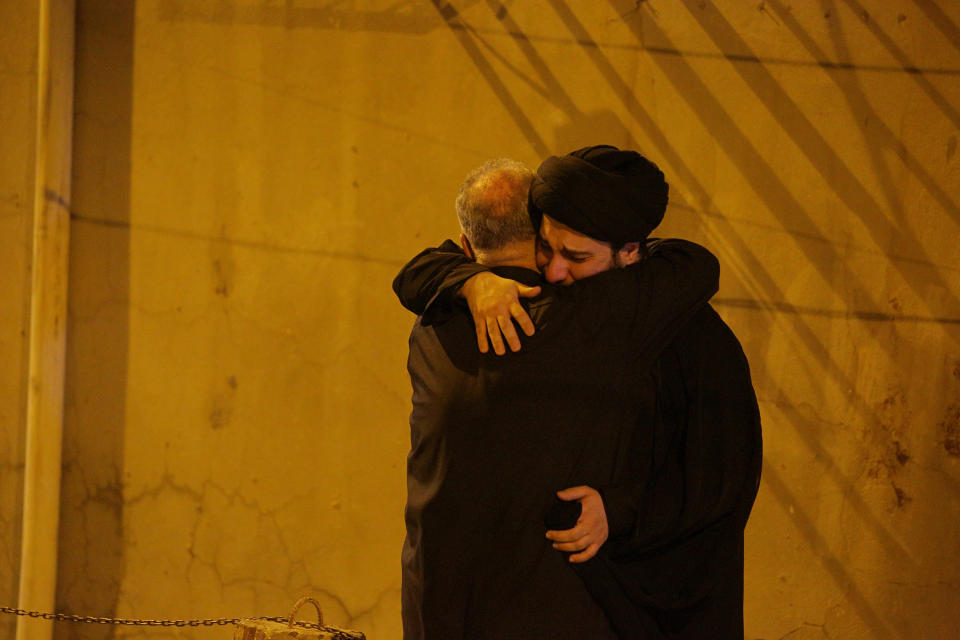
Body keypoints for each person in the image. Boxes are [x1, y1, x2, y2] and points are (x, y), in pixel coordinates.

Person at [393, 146, 763, 639]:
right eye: (548, 248)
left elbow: (720, 468)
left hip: (438, 609)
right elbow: (696, 263)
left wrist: (468, 279)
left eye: (576, 256)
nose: (553, 273)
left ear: (631, 252)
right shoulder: (599, 316)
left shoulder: (434, 318)